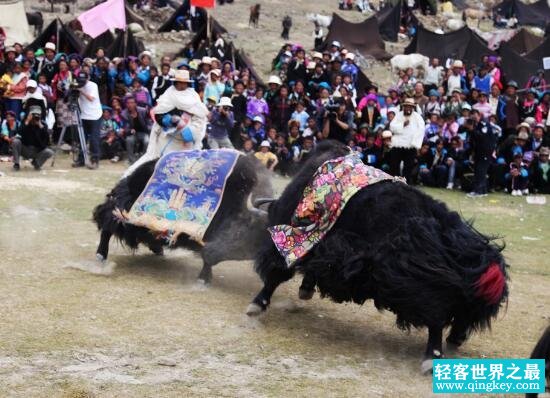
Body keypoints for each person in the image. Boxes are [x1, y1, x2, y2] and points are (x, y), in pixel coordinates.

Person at [122, 69, 208, 178]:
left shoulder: (193, 95)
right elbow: (159, 114)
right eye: (180, 82)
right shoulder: (169, 95)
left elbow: (200, 115)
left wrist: (192, 130)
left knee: (187, 167)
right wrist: (169, 120)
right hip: (168, 137)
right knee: (160, 163)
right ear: (175, 82)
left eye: (184, 83)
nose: (182, 85)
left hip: (187, 138)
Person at [389, 98, 425, 183]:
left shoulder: (417, 117)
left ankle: (406, 183)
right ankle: (394, 182)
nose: (408, 108)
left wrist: (416, 143)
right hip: (397, 144)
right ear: (404, 107)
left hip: (410, 145)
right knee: (394, 165)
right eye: (406, 107)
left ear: (412, 108)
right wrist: (402, 125)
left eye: (410, 107)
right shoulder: (398, 115)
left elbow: (421, 130)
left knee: (408, 166)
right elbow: (392, 127)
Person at [11, 105, 53, 171]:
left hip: (36, 150)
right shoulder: (25, 122)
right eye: (33, 115)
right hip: (24, 148)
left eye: (38, 115)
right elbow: (18, 132)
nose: (35, 117)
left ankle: (37, 163)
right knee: (16, 141)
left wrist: (40, 126)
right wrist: (27, 122)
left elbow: (47, 141)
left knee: (49, 152)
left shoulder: (43, 125)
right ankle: (16, 164)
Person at [75, 71, 102, 169]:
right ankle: (81, 159)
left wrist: (81, 90)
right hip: (83, 115)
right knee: (82, 139)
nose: (82, 82)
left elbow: (91, 98)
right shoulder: (77, 85)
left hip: (95, 115)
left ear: (88, 78)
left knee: (94, 139)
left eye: (84, 80)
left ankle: (94, 160)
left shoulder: (93, 85)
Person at [466, 112, 497, 198]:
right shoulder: (477, 124)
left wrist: (473, 130)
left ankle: (478, 191)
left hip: (485, 151)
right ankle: (482, 190)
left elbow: (482, 137)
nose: (473, 116)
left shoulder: (484, 124)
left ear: (479, 115)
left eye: (475, 114)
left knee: (481, 170)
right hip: (479, 151)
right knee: (477, 170)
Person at [121, 96, 151, 165]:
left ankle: (143, 160)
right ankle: (131, 160)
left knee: (147, 141)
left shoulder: (143, 111)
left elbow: (149, 124)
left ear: (135, 104)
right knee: (129, 140)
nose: (130, 105)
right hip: (132, 134)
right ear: (126, 104)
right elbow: (124, 127)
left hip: (143, 132)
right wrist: (129, 130)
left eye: (132, 103)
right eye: (128, 103)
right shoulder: (124, 114)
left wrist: (147, 128)